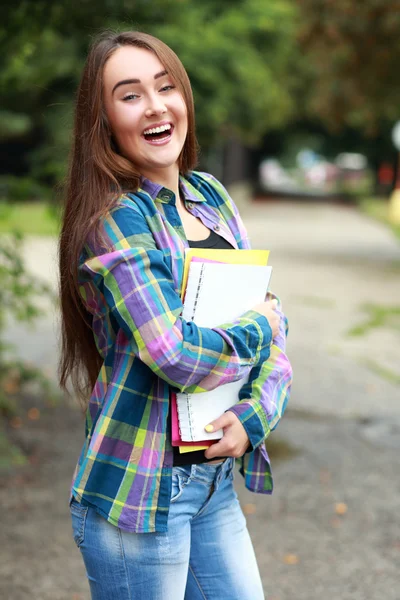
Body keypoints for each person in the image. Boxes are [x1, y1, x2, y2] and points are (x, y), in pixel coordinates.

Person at [58, 30, 292, 600]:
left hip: (212, 483)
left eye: (166, 87)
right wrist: (263, 324)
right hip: (137, 494)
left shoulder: (212, 196)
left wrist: (254, 415)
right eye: (130, 94)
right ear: (103, 118)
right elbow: (176, 353)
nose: (156, 105)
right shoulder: (115, 218)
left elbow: (276, 342)